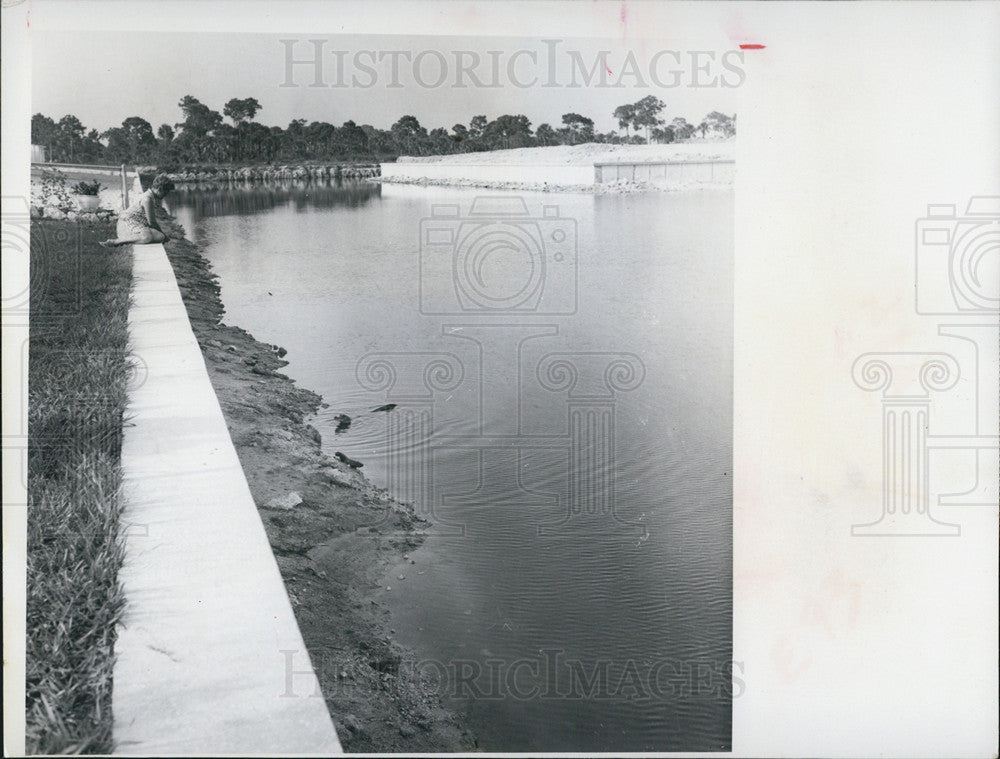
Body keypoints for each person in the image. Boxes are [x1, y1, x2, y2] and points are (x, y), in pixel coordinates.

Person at [100, 173, 175, 247]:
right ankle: (116, 241)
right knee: (148, 237)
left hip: (136, 225)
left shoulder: (150, 196)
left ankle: (133, 238)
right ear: (160, 189)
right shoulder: (147, 199)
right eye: (166, 192)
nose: (166, 195)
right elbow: (152, 222)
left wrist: (163, 235)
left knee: (160, 236)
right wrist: (165, 236)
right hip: (126, 225)